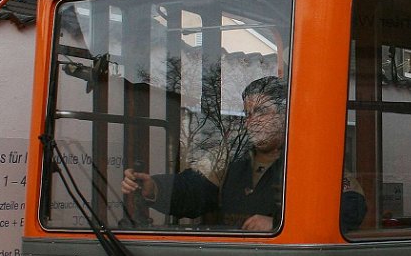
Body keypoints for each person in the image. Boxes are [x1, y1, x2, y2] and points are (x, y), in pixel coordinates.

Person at [123, 76, 289, 231]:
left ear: (284, 115)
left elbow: (312, 215)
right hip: (232, 254)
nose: (252, 121)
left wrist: (275, 225)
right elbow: (196, 189)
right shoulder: (232, 154)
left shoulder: (302, 160)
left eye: (262, 111)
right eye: (248, 114)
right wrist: (154, 187)